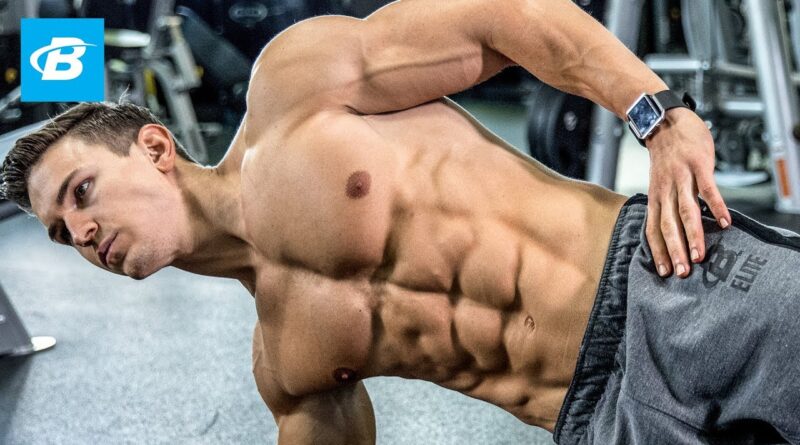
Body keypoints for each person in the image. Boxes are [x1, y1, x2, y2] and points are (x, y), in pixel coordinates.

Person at [4, 0, 798, 443]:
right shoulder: (287, 369)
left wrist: (658, 115)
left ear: (153, 147)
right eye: (58, 231)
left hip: (669, 279)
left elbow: (501, 17)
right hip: (600, 421)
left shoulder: (293, 94)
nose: (80, 233)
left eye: (81, 191)